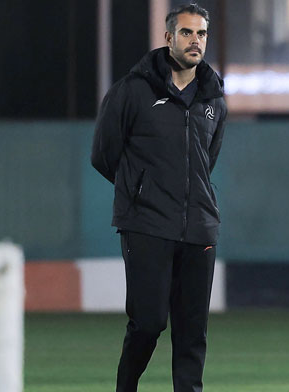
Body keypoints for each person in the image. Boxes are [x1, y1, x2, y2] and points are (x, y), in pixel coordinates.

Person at [91, 3, 227, 391]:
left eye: (201, 33)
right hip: (146, 225)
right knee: (148, 324)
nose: (195, 40)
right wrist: (141, 190)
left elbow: (206, 161)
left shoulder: (213, 99)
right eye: (186, 33)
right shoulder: (131, 91)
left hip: (199, 228)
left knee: (192, 334)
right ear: (168, 37)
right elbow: (103, 155)